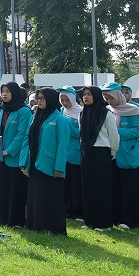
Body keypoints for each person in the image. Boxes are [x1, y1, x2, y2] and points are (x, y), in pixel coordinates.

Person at [0, 81, 31, 228]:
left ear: (15, 93)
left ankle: (15, 220)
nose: (4, 94)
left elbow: (22, 135)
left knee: (14, 190)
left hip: (13, 158)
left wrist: (8, 151)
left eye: (8, 91)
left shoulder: (24, 110)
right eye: (3, 91)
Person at [23, 88, 69, 235]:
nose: (40, 101)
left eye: (43, 98)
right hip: (35, 162)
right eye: (38, 98)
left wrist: (59, 167)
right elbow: (28, 139)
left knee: (50, 197)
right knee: (35, 197)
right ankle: (35, 225)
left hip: (51, 165)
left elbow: (63, 146)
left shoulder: (60, 119)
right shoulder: (35, 116)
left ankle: (53, 228)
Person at [102, 82, 139, 230]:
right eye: (106, 97)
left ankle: (131, 219)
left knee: (130, 188)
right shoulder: (107, 110)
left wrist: (116, 134)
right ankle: (116, 217)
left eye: (110, 97)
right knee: (115, 187)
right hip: (112, 154)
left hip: (128, 153)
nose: (108, 100)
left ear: (118, 96)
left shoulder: (133, 110)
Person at [80, 85, 119, 231]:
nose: (86, 97)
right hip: (87, 153)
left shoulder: (106, 114)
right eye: (84, 94)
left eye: (89, 94)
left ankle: (104, 223)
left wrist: (112, 152)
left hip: (102, 153)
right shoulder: (82, 113)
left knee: (101, 189)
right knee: (88, 188)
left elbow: (114, 136)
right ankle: (90, 220)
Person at [58, 86, 83, 220]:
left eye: (67, 100)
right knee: (66, 183)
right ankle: (67, 210)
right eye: (62, 99)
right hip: (64, 152)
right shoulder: (62, 111)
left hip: (75, 152)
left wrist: (68, 127)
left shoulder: (81, 112)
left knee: (76, 184)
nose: (64, 103)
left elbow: (81, 133)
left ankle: (78, 211)